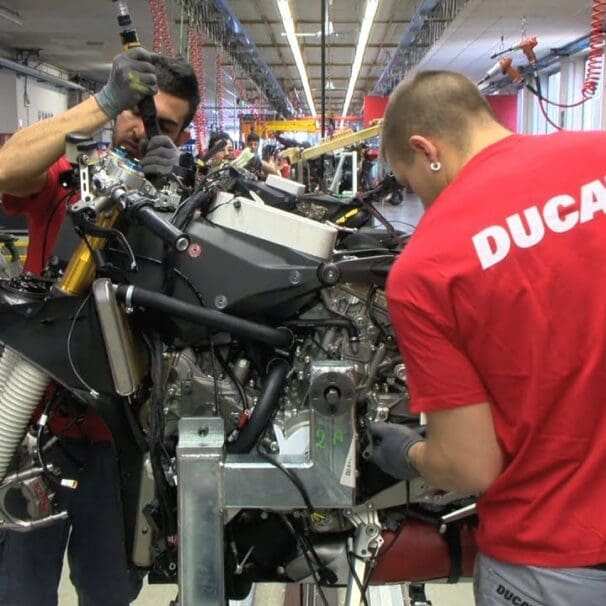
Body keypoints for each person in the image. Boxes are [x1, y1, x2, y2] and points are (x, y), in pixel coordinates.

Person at [369, 70, 606, 605]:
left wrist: (410, 453)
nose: (421, 200)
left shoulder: (426, 268)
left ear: (425, 148)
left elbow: (471, 466)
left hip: (552, 560)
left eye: (410, 183)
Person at [0, 47, 199, 606]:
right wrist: (100, 103)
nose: (143, 128)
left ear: (182, 135)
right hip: (33, 427)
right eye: (137, 110)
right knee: (21, 590)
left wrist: (165, 198)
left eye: (166, 124)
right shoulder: (67, 181)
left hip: (120, 440)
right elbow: (7, 167)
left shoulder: (180, 209)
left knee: (110, 591)